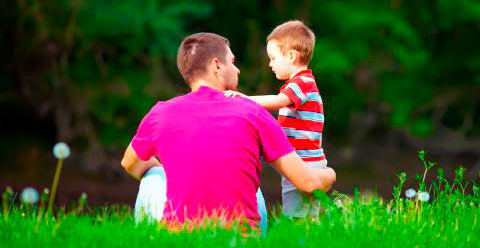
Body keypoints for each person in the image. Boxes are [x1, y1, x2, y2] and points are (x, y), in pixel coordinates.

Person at [121, 32, 336, 232]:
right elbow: (309, 183)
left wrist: (167, 171)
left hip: (182, 237)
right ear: (217, 65)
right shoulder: (253, 113)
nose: (238, 70)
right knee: (254, 190)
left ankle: (163, 231)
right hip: (241, 237)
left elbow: (130, 164)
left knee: (154, 175)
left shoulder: (161, 113)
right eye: (232, 62)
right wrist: (330, 173)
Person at [225, 20, 327, 219]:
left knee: (295, 215)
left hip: (303, 163)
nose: (270, 64)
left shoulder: (301, 83)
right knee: (309, 217)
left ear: (291, 56)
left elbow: (280, 101)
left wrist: (246, 99)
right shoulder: (305, 83)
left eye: (273, 58)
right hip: (310, 161)